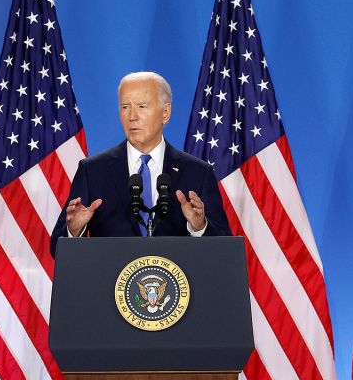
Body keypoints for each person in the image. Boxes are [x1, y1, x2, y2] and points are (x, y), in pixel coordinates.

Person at [49, 71, 231, 256]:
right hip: (111, 283)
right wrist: (74, 231)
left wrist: (200, 227)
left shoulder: (198, 173)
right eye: (125, 107)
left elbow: (225, 251)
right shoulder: (93, 170)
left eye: (142, 106)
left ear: (165, 113)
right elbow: (57, 249)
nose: (132, 117)